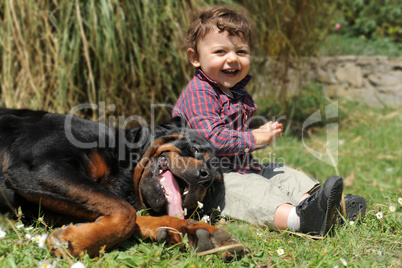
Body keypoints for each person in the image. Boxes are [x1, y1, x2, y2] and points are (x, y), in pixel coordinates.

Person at [172, 6, 366, 236]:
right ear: (195, 57)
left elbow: (235, 135)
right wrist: (253, 138)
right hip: (209, 182)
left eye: (241, 52)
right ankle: (301, 220)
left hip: (241, 167)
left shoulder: (236, 92)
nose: (232, 58)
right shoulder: (199, 92)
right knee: (255, 192)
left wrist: (259, 134)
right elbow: (211, 139)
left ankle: (318, 205)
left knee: (282, 174)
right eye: (220, 52)